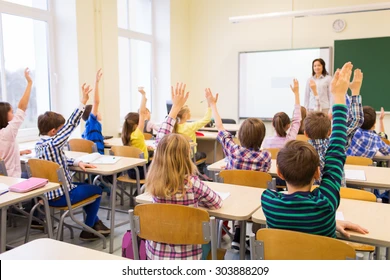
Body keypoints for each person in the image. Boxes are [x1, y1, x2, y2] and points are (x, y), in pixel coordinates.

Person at [261, 62, 352, 237]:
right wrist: (339, 96)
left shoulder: (268, 202)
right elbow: (336, 152)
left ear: (279, 172)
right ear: (318, 173)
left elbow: (336, 152)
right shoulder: (326, 204)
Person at [144, 83, 222, 260]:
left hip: (155, 256)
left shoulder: (155, 181)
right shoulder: (192, 183)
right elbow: (216, 203)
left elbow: (161, 141)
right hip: (186, 258)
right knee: (210, 237)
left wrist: (175, 108)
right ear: (187, 155)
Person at [35, 83, 110, 241]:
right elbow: (71, 124)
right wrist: (83, 101)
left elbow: (56, 161)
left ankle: (94, 223)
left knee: (85, 187)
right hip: (62, 196)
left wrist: (76, 162)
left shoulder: (40, 145)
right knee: (96, 190)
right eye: (61, 130)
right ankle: (88, 229)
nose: (64, 132)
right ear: (54, 132)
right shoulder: (53, 143)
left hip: (46, 196)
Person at [206, 87, 271, 251]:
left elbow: (220, 128)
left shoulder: (233, 151)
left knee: (239, 191)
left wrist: (213, 105)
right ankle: (256, 240)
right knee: (254, 195)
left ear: (240, 135)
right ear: (262, 137)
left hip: (232, 201)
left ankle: (237, 234)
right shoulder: (266, 157)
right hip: (256, 204)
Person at [305, 68, 364, 186]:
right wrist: (355, 91)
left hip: (311, 200)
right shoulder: (336, 145)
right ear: (330, 131)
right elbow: (356, 120)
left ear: (305, 133)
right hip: (337, 198)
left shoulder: (301, 151)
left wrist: (316, 94)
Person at [0, 68, 32, 177]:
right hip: (12, 178)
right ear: (4, 115)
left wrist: (19, 152)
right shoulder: (7, 133)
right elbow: (22, 107)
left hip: (4, 180)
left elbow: (3, 155)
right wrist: (29, 83)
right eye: (11, 112)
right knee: (34, 174)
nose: (14, 115)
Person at [262, 79, 302, 149]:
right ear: (288, 125)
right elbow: (296, 119)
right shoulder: (290, 140)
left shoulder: (266, 141)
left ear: (272, 124)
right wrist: (296, 93)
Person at [121, 87, 151, 179]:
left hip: (131, 171)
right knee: (161, 164)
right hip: (142, 171)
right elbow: (142, 113)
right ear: (136, 124)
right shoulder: (137, 134)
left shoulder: (125, 136)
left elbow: (136, 148)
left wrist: (145, 147)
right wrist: (143, 95)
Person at [82, 69, 104, 154]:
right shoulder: (92, 123)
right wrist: (96, 82)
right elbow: (96, 102)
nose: (99, 112)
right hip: (98, 158)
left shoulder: (87, 129)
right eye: (97, 111)